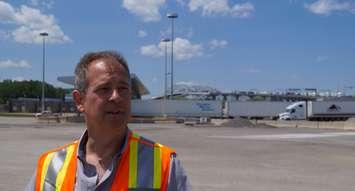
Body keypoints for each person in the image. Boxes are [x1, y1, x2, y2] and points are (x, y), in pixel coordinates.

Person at [26, 50, 189, 191]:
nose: (116, 97)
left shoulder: (163, 163)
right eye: (104, 89)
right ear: (79, 100)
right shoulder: (51, 167)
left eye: (123, 89)